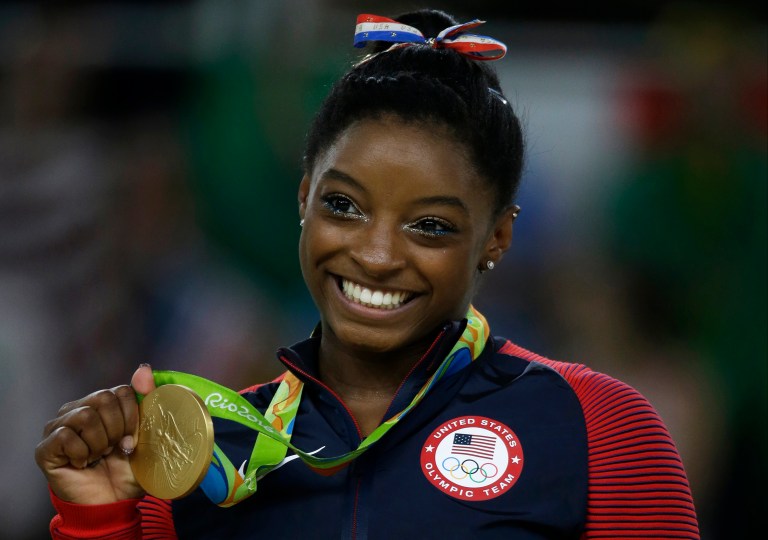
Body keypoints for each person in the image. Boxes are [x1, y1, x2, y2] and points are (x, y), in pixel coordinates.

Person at [35, 9, 700, 539]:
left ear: (497, 237)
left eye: (430, 225)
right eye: (343, 206)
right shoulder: (202, 454)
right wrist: (100, 519)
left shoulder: (599, 430)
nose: (377, 255)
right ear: (303, 200)